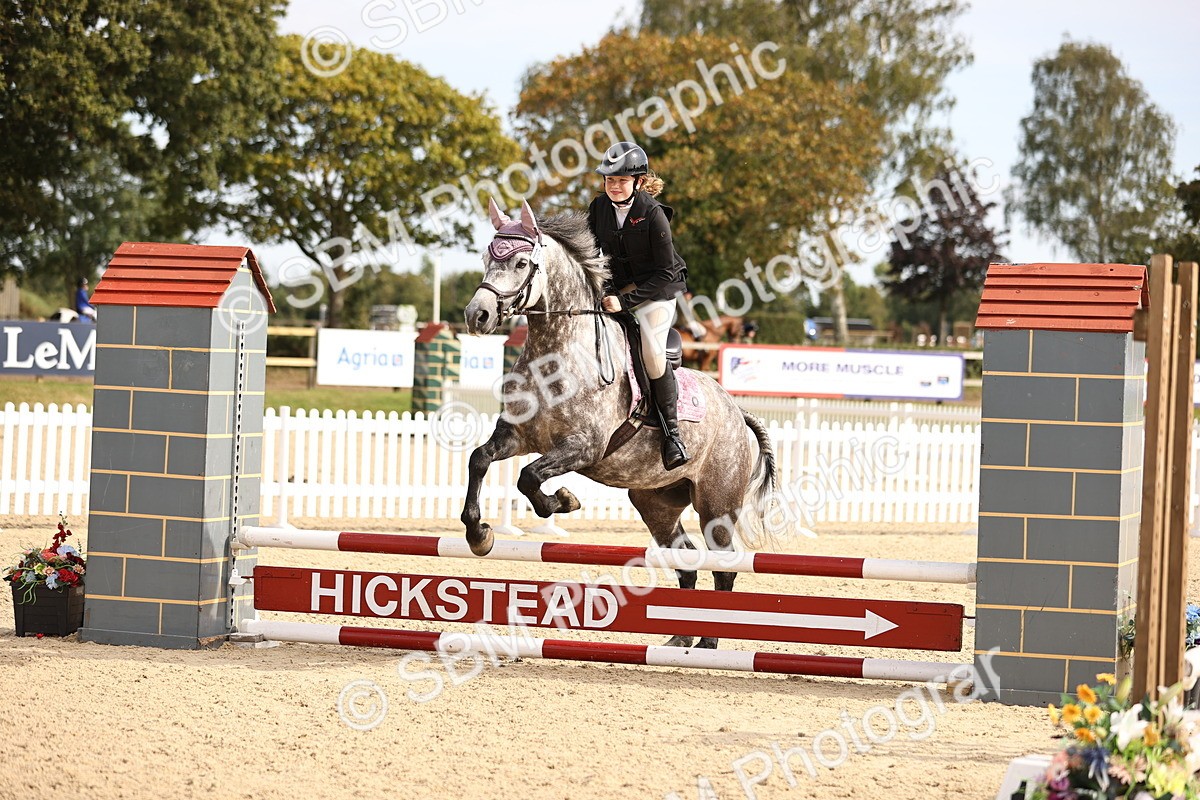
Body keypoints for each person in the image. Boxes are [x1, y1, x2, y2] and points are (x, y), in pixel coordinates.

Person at [587, 141, 689, 470]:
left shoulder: (653, 214)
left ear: (639, 182)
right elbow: (591, 255)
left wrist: (625, 300)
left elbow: (665, 272)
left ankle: (672, 434)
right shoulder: (598, 208)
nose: (613, 186)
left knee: (651, 351)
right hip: (619, 287)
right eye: (609, 180)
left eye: (621, 180)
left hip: (658, 290)